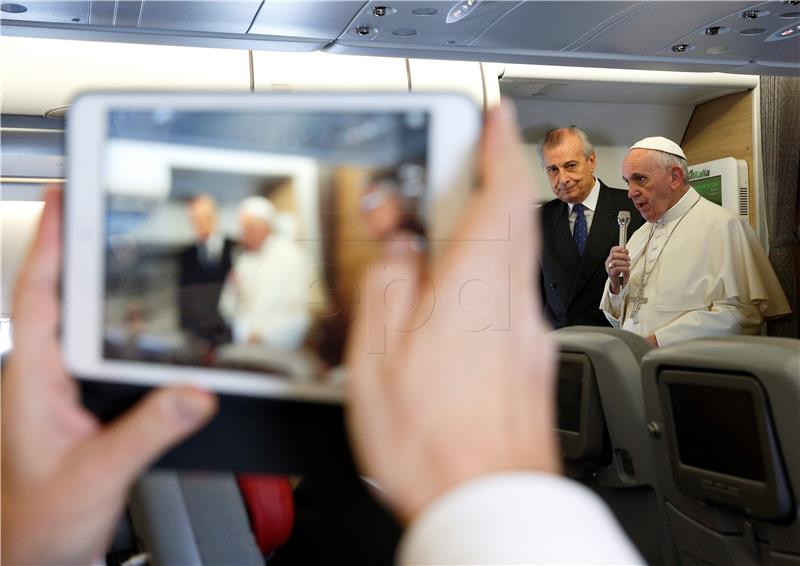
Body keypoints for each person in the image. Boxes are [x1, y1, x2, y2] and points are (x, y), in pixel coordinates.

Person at [2, 104, 640, 564]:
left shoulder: (295, 260)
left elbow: (291, 311)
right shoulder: (254, 261)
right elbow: (239, 305)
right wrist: (497, 490)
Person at [601, 136, 790, 346]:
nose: (630, 192)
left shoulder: (723, 226)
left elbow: (743, 315)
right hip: (635, 360)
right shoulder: (639, 235)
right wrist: (616, 288)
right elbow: (624, 320)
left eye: (640, 179)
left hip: (689, 363)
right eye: (627, 182)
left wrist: (658, 342)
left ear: (675, 177)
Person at [538, 126, 643, 328]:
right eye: (553, 170)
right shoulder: (538, 220)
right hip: (560, 340)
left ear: (591, 161)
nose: (563, 179)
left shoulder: (634, 208)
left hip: (614, 335)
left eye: (570, 166)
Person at [218, 196, 315, 351]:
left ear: (264, 227)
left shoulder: (292, 256)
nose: (243, 235)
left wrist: (263, 335)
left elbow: (299, 312)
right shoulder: (244, 261)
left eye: (248, 229)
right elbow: (232, 307)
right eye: (243, 229)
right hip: (246, 344)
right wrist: (245, 331)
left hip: (280, 347)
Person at [177, 194, 235, 356]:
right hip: (198, 341)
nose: (201, 223)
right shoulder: (186, 255)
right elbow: (183, 298)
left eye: (205, 217)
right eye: (196, 219)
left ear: (215, 217)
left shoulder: (236, 249)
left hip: (231, 335)